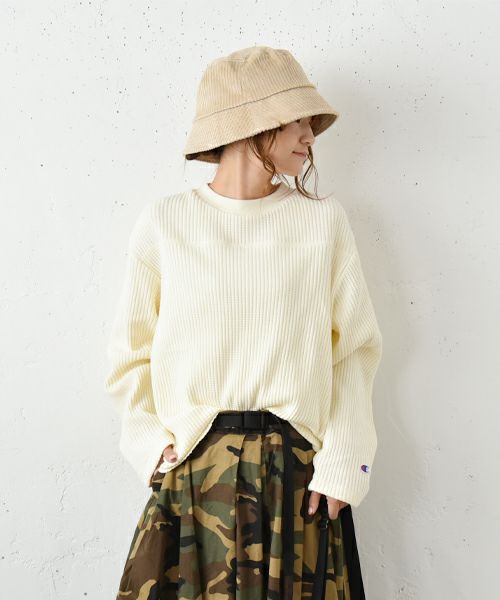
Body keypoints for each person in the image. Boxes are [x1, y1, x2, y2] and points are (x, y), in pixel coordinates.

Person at [104, 45, 383, 600]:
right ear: (254, 122)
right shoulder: (166, 223)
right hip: (193, 471)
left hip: (298, 476)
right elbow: (130, 353)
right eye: (298, 120)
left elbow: (354, 349)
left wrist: (346, 462)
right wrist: (150, 445)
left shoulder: (321, 222)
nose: (310, 136)